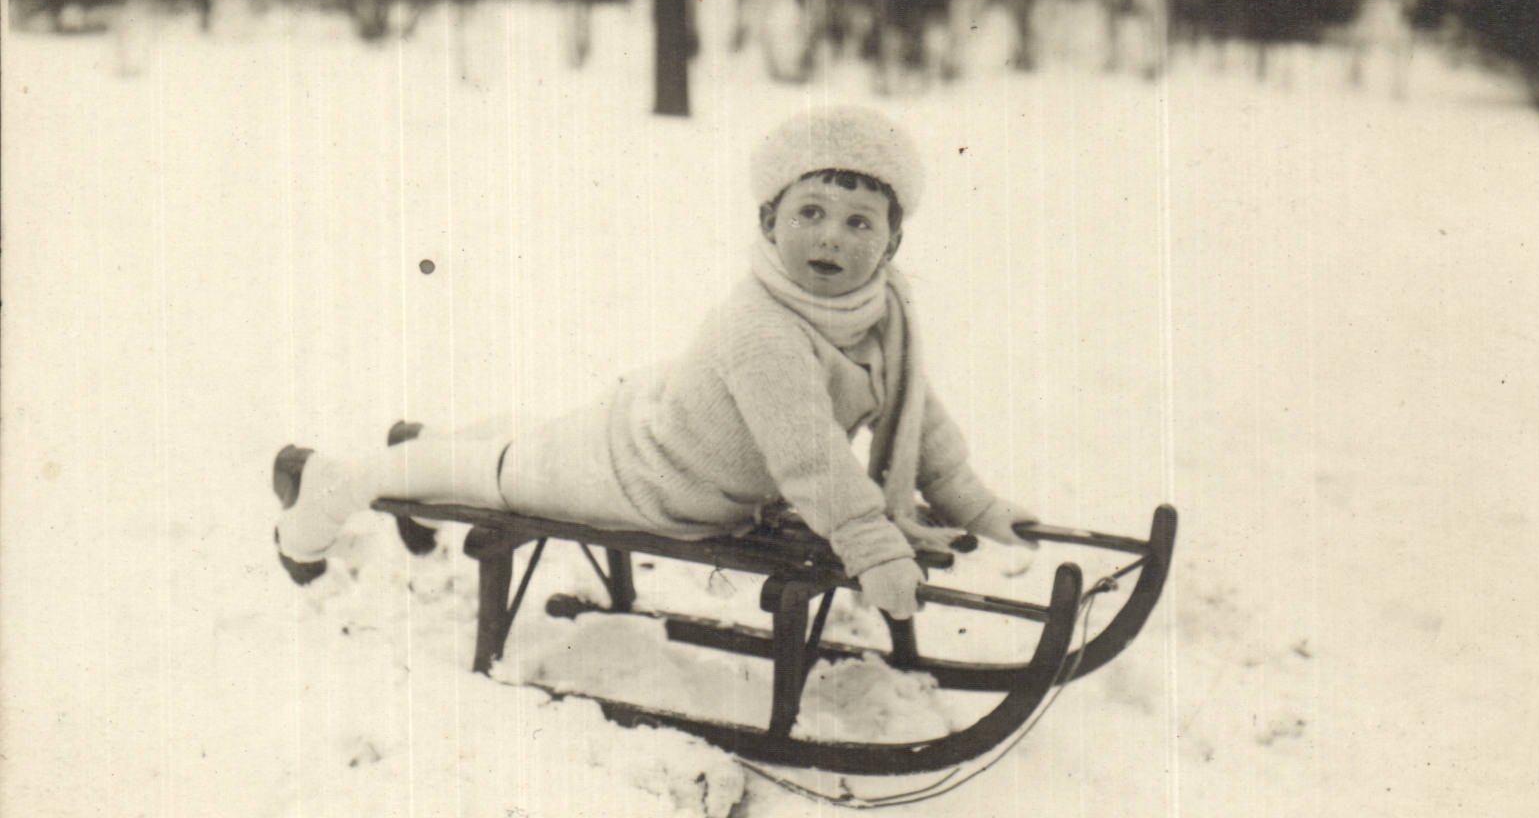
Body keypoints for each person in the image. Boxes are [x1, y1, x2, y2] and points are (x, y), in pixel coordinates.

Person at [273, 105, 1035, 618]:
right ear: (769, 221)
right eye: (810, 212)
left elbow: (923, 425)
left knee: (516, 448)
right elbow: (812, 461)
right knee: (496, 472)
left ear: (892, 242)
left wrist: (979, 507)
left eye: (859, 222)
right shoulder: (762, 327)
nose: (832, 237)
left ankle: (425, 448)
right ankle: (327, 487)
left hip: (658, 441)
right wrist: (872, 547)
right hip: (637, 481)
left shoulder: (881, 316)